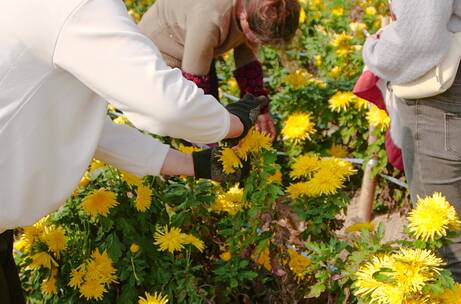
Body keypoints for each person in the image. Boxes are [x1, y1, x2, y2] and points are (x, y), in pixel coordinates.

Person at [0, 0, 266, 302]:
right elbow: (167, 105)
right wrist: (232, 123)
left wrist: (193, 164)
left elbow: (87, 128)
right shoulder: (79, 7)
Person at [361, 0, 461, 299]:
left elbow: (418, 40)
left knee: (447, 247)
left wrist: (373, 50)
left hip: (441, 98)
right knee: (452, 233)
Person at [138, 0, 301, 140]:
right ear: (244, 15)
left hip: (195, 55)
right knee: (190, 131)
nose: (260, 43)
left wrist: (259, 109)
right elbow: (193, 94)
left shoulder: (255, 7)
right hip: (155, 59)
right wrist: (213, 140)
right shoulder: (209, 18)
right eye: (258, 37)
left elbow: (246, 56)